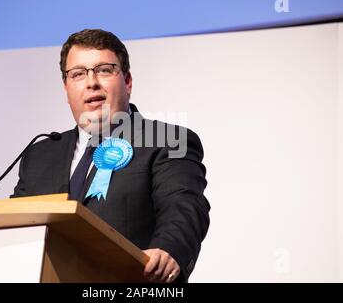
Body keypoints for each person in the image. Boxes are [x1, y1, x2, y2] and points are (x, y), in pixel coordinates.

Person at [12, 29, 210, 283]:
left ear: (127, 82)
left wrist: (169, 249)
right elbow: (17, 226)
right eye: (78, 74)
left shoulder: (166, 140)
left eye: (104, 70)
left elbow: (184, 205)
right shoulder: (40, 154)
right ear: (66, 87)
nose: (91, 82)